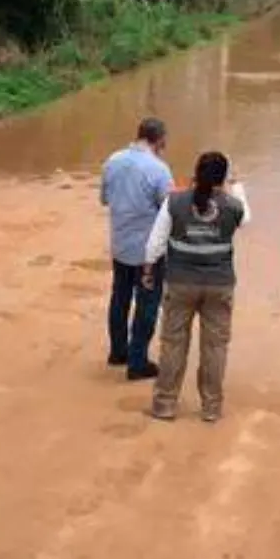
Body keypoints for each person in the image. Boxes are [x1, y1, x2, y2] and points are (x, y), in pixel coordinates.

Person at [144, 152, 248, 423]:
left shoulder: (175, 201)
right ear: (222, 178)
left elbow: (156, 242)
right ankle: (211, 407)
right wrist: (236, 186)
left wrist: (147, 269)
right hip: (219, 284)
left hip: (180, 282)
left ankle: (165, 404)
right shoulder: (233, 206)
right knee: (215, 348)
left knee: (173, 344)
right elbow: (246, 217)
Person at [101, 118, 174, 380]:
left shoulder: (113, 160)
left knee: (119, 298)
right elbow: (169, 211)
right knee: (147, 303)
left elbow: (105, 199)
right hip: (148, 252)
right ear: (160, 139)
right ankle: (138, 361)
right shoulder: (159, 169)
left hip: (120, 245)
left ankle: (118, 351)